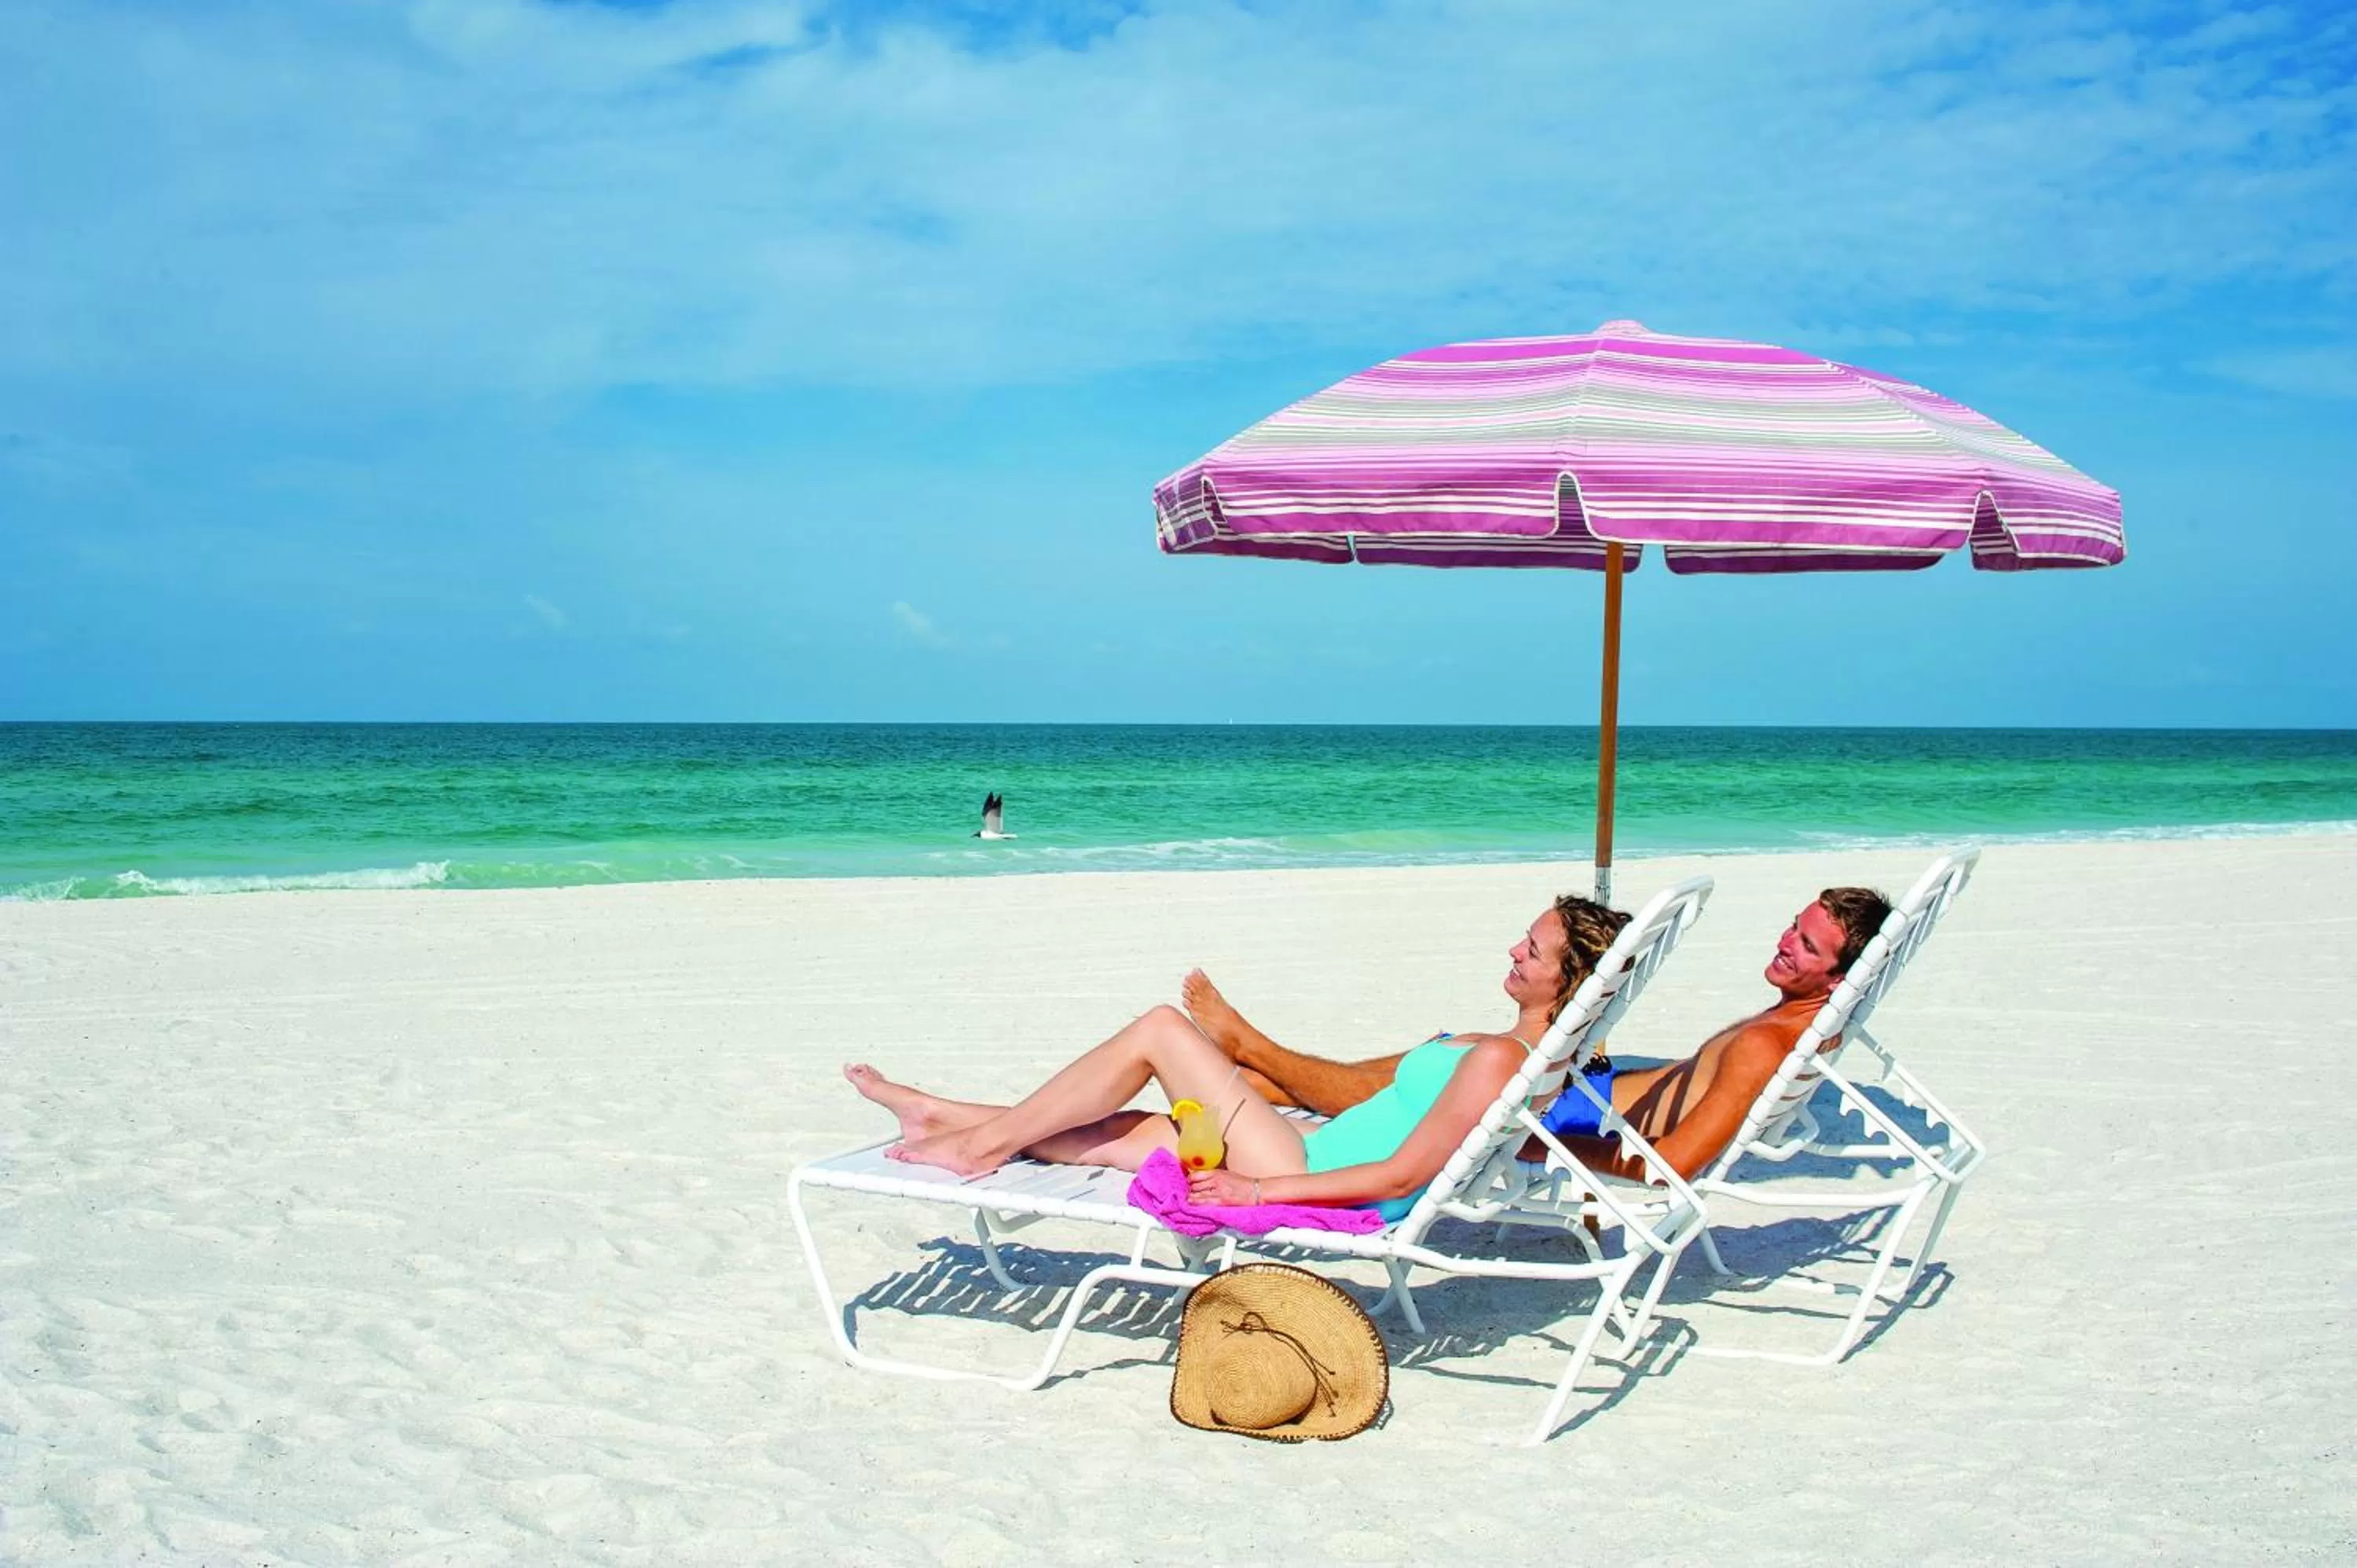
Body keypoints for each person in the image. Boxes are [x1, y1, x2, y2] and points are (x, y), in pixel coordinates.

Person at [842, 895, 1630, 1220]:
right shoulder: (1521, 1054)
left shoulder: (1501, 1061)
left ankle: (978, 1147)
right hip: (1307, 1150)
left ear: (1568, 981)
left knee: (1160, 1029)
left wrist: (1260, 1188)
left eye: (1532, 951)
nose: (1513, 951)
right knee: (1123, 1131)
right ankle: (938, 1113)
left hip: (1303, 1169)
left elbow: (1400, 1178)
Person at [1183, 886, 1893, 1183]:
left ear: (1839, 978)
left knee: (1418, 1080)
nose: (1784, 943)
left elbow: (1672, 1163)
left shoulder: (1766, 1046)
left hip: (1571, 1114)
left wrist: (1539, 1143)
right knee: (1439, 1055)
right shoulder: (1801, 1021)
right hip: (1592, 1090)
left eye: (1807, 946)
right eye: (1793, 927)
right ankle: (1254, 1077)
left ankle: (1252, 1057)